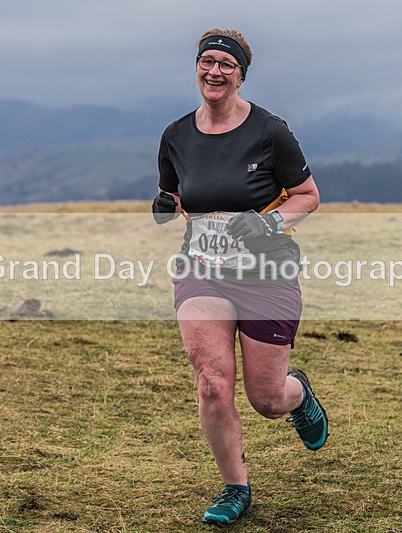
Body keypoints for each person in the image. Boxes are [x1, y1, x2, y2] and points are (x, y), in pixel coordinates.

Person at [152, 28, 329, 527]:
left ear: (240, 76)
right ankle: (236, 488)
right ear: (196, 69)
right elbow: (176, 195)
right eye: (207, 62)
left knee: (266, 398)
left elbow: (308, 195)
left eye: (226, 65)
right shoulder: (175, 135)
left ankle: (298, 394)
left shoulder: (270, 131)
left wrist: (267, 222)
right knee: (211, 382)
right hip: (202, 271)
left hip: (266, 272)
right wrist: (165, 205)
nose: (215, 71)